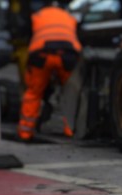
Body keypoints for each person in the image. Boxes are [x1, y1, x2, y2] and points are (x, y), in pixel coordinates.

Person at [18, 0, 81, 142]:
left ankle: (25, 132)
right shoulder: (68, 16)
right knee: (70, 93)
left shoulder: (37, 15)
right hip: (67, 56)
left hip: (42, 56)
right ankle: (70, 130)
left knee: (33, 93)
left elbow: (25, 35)